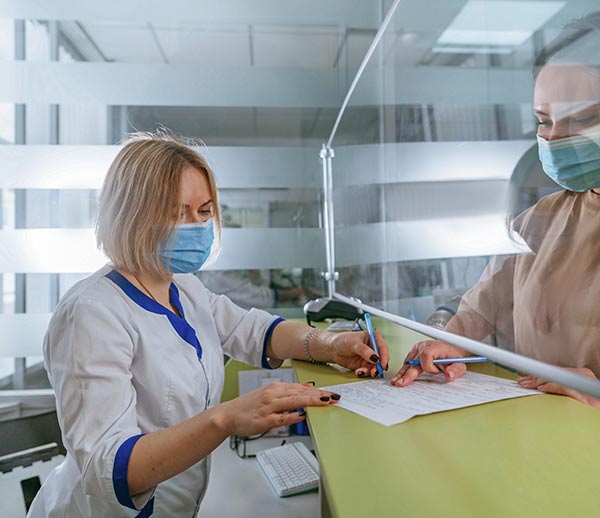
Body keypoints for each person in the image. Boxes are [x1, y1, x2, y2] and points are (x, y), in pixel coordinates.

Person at [28, 133, 389, 517]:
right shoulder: (91, 312)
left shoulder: (183, 287)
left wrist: (330, 344)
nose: (195, 225)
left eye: (204, 211)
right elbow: (108, 468)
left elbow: (255, 331)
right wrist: (225, 419)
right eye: (176, 211)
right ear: (129, 212)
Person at [391, 11, 600, 409]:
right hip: (537, 432)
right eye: (543, 121)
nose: (554, 139)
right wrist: (448, 343)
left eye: (583, 119)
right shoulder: (541, 220)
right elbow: (480, 311)